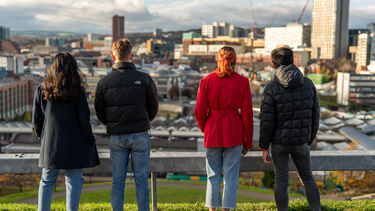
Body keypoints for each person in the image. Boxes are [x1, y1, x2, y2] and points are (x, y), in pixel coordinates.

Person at [95, 39, 159, 211]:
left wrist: (113, 124)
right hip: (140, 134)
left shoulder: (104, 82)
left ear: (112, 56)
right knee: (141, 180)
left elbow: (99, 111)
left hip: (117, 135)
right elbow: (154, 108)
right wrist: (143, 121)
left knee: (117, 181)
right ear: (131, 56)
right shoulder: (144, 79)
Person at [33, 52, 100, 211]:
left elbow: (37, 120)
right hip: (75, 144)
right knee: (74, 181)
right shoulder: (77, 91)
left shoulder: (42, 89)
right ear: (73, 68)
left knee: (47, 181)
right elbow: (84, 120)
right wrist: (90, 139)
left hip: (51, 144)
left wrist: (42, 139)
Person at [259, 47, 321, 211]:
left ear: (273, 64)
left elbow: (266, 121)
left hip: (279, 142)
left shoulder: (271, 88)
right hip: (301, 141)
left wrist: (264, 146)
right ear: (293, 60)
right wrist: (309, 138)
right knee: (307, 177)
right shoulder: (308, 84)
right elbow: (315, 115)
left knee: (281, 179)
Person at [195, 46, 253, 211]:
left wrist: (205, 129)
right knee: (231, 176)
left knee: (212, 175)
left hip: (212, 130)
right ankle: (227, 209)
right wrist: (247, 141)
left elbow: (199, 111)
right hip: (234, 132)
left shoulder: (206, 81)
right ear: (234, 60)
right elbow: (247, 115)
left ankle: (212, 209)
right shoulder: (242, 82)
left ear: (218, 59)